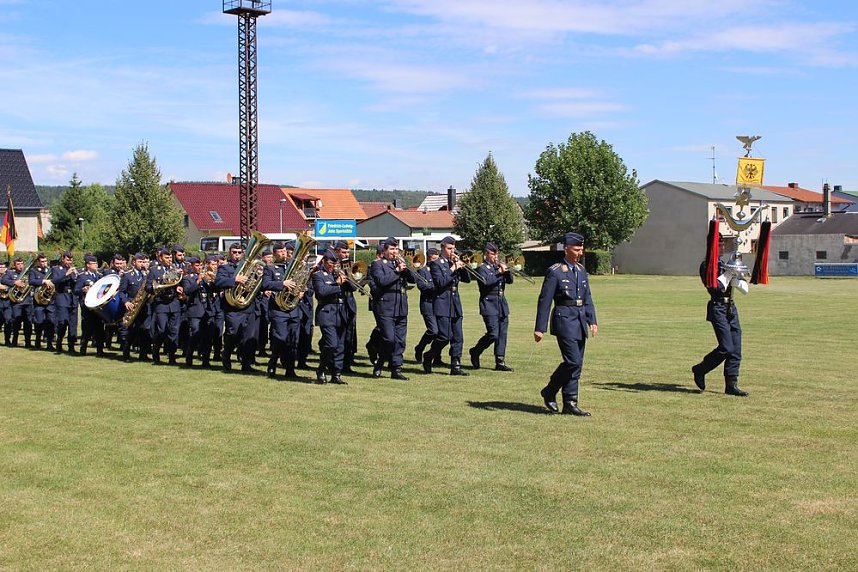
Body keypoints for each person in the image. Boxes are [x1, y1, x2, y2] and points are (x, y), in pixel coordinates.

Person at [534, 232, 597, 416]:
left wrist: (592, 320)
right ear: (567, 248)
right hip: (564, 320)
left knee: (577, 364)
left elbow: (587, 297)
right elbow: (544, 301)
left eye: (581, 249)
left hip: (580, 320)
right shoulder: (555, 271)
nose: (580, 252)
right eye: (577, 249)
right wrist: (540, 328)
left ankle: (570, 402)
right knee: (573, 361)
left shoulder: (581, 270)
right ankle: (550, 391)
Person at [692, 234, 748, 396]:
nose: (723, 247)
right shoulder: (707, 266)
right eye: (719, 244)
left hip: (730, 307)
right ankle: (700, 369)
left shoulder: (724, 264)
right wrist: (730, 273)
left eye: (723, 243)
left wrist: (737, 277)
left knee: (736, 348)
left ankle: (731, 384)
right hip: (717, 306)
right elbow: (716, 287)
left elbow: (743, 289)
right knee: (726, 347)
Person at [422, 235, 471, 376]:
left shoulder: (454, 262)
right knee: (444, 336)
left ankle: (455, 366)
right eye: (450, 248)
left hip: (455, 303)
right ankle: (429, 356)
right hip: (442, 303)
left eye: (453, 248)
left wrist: (462, 266)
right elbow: (440, 283)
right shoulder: (437, 264)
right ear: (443, 248)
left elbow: (467, 280)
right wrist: (453, 268)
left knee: (458, 337)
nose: (452, 251)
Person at [368, 237, 413, 380]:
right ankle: (380, 362)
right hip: (385, 306)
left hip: (401, 305)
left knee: (400, 340)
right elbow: (382, 281)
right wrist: (397, 271)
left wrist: (406, 269)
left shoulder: (399, 263)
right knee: (389, 339)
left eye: (396, 249)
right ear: (385, 250)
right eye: (392, 249)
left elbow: (414, 280)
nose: (395, 252)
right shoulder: (378, 264)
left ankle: (396, 369)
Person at [215, 242, 260, 372]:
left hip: (248, 305)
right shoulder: (225, 268)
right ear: (230, 253)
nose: (236, 255)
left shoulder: (249, 267)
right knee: (233, 333)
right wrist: (235, 280)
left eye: (239, 252)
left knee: (249, 336)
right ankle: (226, 354)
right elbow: (218, 282)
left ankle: (246, 364)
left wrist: (258, 276)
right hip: (232, 306)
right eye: (234, 252)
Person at [469, 242, 514, 372]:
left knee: (502, 334)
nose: (495, 255)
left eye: (496, 253)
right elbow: (487, 282)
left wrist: (506, 270)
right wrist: (499, 272)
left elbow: (510, 281)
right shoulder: (481, 267)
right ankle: (476, 351)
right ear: (486, 254)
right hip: (489, 303)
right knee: (493, 334)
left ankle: (500, 361)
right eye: (493, 253)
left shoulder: (497, 266)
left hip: (501, 304)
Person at [261, 241, 301, 379]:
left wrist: (300, 291)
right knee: (280, 339)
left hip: (292, 309)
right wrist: (282, 284)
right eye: (280, 251)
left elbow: (299, 282)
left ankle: (290, 369)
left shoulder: (292, 267)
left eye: (285, 250)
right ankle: (272, 363)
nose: (284, 253)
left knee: (293, 341)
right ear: (274, 253)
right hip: (278, 310)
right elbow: (265, 284)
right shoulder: (270, 269)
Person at [312, 250, 349, 385]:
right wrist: (337, 284)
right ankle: (321, 369)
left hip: (341, 312)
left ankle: (336, 374)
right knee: (331, 343)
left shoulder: (338, 274)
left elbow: (353, 288)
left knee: (340, 346)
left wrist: (347, 277)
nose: (333, 265)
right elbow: (321, 292)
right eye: (331, 262)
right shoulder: (318, 275)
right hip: (326, 312)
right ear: (324, 261)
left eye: (335, 263)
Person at [146, 247, 184, 365]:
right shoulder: (154, 270)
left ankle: (172, 356)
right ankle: (156, 350)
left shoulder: (175, 270)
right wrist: (157, 287)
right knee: (162, 330)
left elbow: (180, 283)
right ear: (160, 258)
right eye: (166, 257)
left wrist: (179, 287)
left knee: (174, 331)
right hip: (161, 303)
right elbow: (147, 287)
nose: (169, 260)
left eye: (170, 257)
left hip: (174, 303)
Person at [49, 251, 79, 354]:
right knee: (62, 321)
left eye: (71, 259)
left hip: (73, 299)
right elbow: (55, 281)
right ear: (63, 259)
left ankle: (71, 345)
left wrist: (76, 276)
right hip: (62, 297)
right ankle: (59, 342)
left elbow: (78, 283)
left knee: (73, 323)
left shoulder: (75, 270)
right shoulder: (56, 269)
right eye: (67, 259)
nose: (69, 261)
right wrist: (66, 274)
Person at [74, 254, 105, 356]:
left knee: (100, 328)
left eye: (96, 263)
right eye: (94, 263)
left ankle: (100, 350)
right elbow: (76, 290)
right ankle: (83, 349)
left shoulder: (99, 276)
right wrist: (83, 290)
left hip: (98, 307)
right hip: (87, 307)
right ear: (88, 265)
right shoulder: (82, 276)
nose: (96, 265)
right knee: (87, 329)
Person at [413, 248, 439, 363]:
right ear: (428, 258)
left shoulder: (440, 268)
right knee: (433, 330)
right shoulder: (423, 270)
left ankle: (437, 357)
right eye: (433, 259)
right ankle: (420, 347)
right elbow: (422, 286)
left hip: (439, 303)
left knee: (442, 332)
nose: (435, 261)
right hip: (427, 303)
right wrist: (436, 286)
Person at [28, 253, 55, 350]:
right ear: (38, 262)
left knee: (51, 321)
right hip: (39, 301)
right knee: (39, 321)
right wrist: (43, 281)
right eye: (42, 261)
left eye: (45, 261)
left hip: (49, 300)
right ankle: (38, 340)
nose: (44, 263)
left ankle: (49, 343)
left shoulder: (50, 270)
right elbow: (31, 281)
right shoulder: (33, 271)